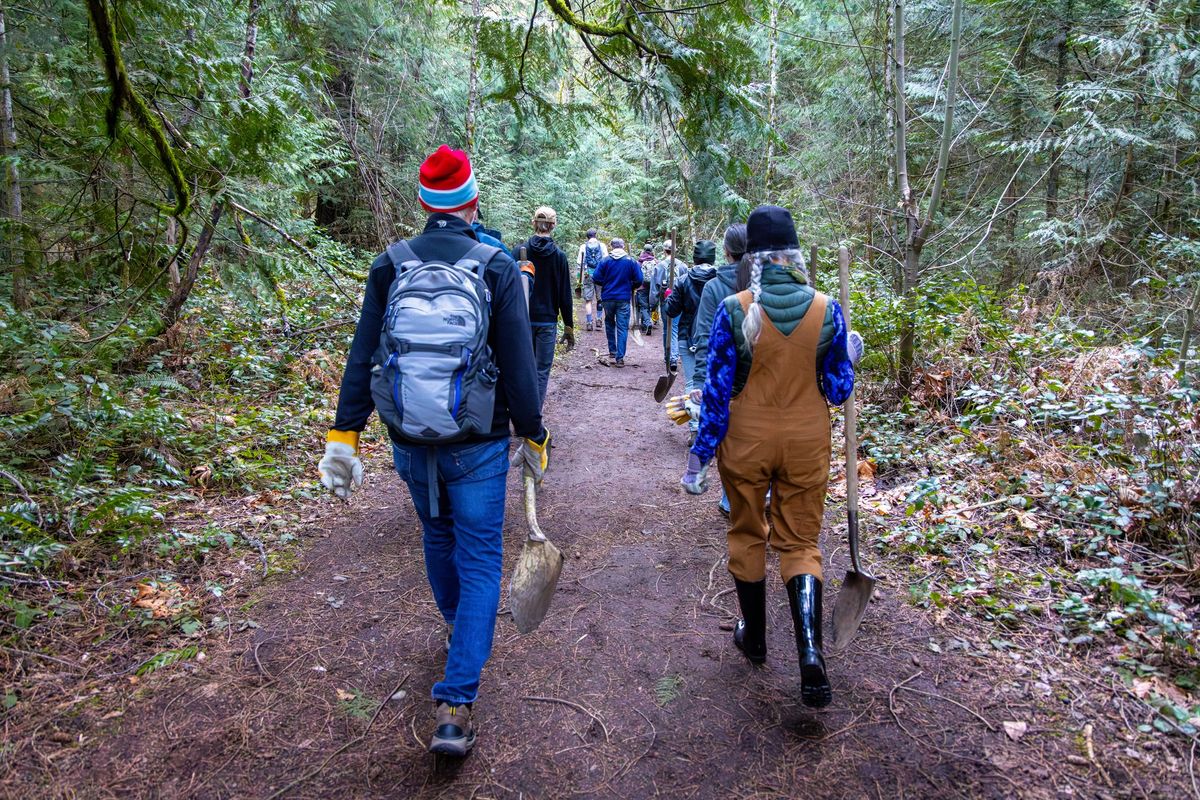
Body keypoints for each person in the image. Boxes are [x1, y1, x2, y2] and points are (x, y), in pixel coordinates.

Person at [318, 145, 550, 757]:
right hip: (477, 441)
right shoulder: (496, 265)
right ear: (472, 201)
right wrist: (533, 432)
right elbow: (520, 366)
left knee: (437, 535)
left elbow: (364, 352)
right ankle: (455, 702)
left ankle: (460, 635)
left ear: (423, 203)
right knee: (480, 557)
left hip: (409, 439)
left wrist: (345, 434)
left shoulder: (390, 264)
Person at [680, 205, 862, 709]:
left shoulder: (735, 309)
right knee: (802, 540)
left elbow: (716, 393)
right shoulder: (827, 308)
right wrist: (849, 354)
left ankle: (756, 639)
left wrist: (698, 457)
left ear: (753, 257)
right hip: (807, 439)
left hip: (747, 440)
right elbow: (838, 389)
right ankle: (810, 654)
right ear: (794, 253)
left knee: (746, 532)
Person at [691, 224, 746, 515]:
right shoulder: (765, 282)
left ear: (726, 252)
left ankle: (730, 498)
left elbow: (705, 338)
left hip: (727, 377)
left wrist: (700, 379)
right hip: (763, 375)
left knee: (728, 436)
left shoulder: (714, 287)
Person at [515, 206, 574, 407]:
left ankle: (523, 415)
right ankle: (533, 418)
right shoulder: (559, 257)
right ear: (553, 226)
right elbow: (565, 295)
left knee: (523, 370)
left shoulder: (519, 251)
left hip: (521, 320)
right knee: (541, 372)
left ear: (533, 223)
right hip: (547, 321)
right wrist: (568, 326)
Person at [664, 239, 718, 397]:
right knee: (711, 381)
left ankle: (694, 421)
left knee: (692, 382)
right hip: (713, 336)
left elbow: (671, 311)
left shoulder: (683, 281)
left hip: (687, 336)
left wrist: (669, 296)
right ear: (713, 258)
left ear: (695, 259)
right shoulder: (721, 281)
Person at [590, 237, 643, 367]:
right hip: (623, 298)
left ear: (612, 247)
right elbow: (639, 279)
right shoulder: (631, 261)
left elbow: (596, 278)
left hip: (607, 298)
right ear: (623, 246)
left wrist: (606, 284)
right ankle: (620, 357)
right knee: (622, 327)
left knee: (609, 323)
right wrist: (631, 286)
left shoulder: (605, 261)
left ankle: (612, 351)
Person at [653, 240, 685, 370]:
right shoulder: (682, 266)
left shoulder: (660, 266)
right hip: (679, 301)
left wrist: (652, 303)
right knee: (675, 328)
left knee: (667, 328)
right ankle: (673, 357)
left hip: (665, 301)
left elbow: (655, 287)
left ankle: (669, 356)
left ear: (664, 250)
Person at [576, 229, 607, 331]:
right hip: (600, 275)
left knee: (588, 300)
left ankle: (589, 322)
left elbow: (579, 263)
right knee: (600, 299)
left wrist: (579, 280)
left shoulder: (583, 246)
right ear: (595, 235)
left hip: (587, 275)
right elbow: (606, 260)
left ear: (587, 237)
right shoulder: (601, 245)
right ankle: (598, 319)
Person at [635, 244, 657, 335]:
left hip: (641, 287)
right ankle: (652, 321)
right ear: (652, 251)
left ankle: (646, 324)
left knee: (644, 307)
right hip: (653, 288)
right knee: (652, 306)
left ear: (643, 250)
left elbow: (636, 275)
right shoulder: (656, 262)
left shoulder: (638, 262)